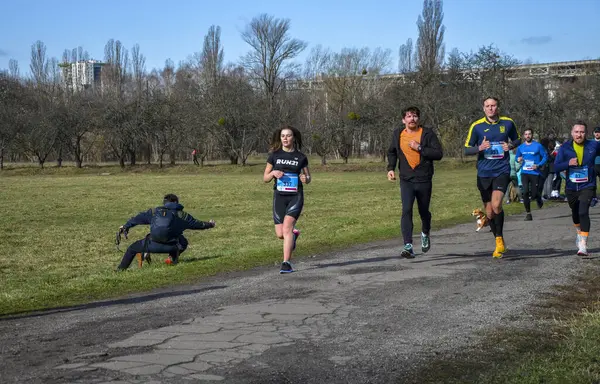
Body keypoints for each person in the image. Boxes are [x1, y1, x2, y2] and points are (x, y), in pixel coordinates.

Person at [464, 97, 521, 258]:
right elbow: (466, 149)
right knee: (489, 213)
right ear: (483, 108)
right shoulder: (477, 126)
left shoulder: (507, 123)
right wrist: (479, 148)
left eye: (493, 105)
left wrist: (510, 145)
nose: (491, 108)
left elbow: (517, 139)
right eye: (487, 106)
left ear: (498, 107)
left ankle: (499, 240)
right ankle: (498, 241)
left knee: (496, 206)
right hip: (484, 173)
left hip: (501, 170)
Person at [387, 106, 443, 258]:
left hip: (424, 178)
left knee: (423, 211)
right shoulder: (398, 133)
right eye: (409, 116)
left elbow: (438, 154)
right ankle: (408, 245)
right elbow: (392, 151)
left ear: (419, 119)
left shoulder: (427, 133)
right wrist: (391, 168)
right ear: (403, 120)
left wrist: (419, 147)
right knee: (406, 210)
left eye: (415, 116)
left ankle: (425, 232)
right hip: (406, 179)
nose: (412, 119)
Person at [116, 194, 215, 270]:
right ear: (176, 202)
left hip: (151, 245)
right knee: (183, 241)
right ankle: (171, 259)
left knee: (132, 249)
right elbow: (197, 224)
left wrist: (125, 226)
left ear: (164, 202)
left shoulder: (154, 212)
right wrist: (210, 224)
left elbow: (136, 219)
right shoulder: (182, 215)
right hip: (172, 246)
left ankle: (121, 270)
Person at [263, 125, 311, 274]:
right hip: (279, 197)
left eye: (288, 135)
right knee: (280, 234)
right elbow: (265, 178)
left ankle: (286, 263)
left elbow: (308, 177)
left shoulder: (301, 157)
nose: (285, 138)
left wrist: (305, 178)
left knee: (287, 228)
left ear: (293, 138)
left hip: (295, 196)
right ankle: (294, 236)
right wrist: (273, 174)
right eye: (283, 136)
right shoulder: (274, 156)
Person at [554, 120, 600, 256]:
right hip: (571, 187)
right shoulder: (565, 147)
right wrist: (567, 163)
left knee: (583, 212)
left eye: (582, 132)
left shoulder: (594, 145)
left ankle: (583, 245)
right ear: (572, 133)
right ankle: (579, 233)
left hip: (588, 185)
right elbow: (555, 166)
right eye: (576, 132)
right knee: (575, 213)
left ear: (586, 133)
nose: (579, 135)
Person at [516, 128, 548, 220]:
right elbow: (517, 157)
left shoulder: (538, 146)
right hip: (525, 172)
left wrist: (538, 165)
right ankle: (528, 213)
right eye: (526, 134)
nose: (527, 136)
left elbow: (545, 157)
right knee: (525, 192)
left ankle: (538, 198)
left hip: (535, 172)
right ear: (523, 136)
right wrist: (518, 159)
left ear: (532, 135)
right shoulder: (521, 147)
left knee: (534, 194)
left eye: (529, 134)